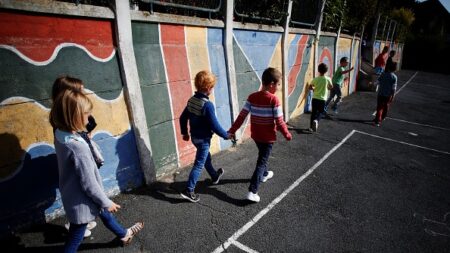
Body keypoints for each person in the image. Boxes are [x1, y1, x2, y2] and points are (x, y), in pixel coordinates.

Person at [50, 89, 143, 253]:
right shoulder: (77, 148)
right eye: (86, 113)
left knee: (104, 214)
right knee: (75, 237)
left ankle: (124, 234)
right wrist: (107, 201)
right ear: (73, 116)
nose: (89, 116)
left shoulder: (60, 132)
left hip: (73, 194)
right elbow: (89, 184)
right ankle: (123, 233)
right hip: (82, 200)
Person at [228, 67, 292, 203]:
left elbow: (242, 116)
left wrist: (232, 130)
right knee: (262, 161)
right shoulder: (274, 100)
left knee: (263, 156)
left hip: (256, 136)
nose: (279, 87)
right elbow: (279, 122)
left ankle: (264, 174)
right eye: (279, 84)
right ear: (272, 84)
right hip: (267, 138)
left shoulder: (252, 97)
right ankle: (252, 191)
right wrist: (287, 134)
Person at [51, 76, 103, 238]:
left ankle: (84, 220)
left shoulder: (65, 119)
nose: (83, 93)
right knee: (86, 187)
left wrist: (88, 132)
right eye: (80, 90)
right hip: (81, 154)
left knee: (86, 188)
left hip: (83, 150)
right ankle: (79, 222)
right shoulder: (68, 130)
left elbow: (91, 124)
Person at [179, 70, 232, 203]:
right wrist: (226, 135)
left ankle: (214, 176)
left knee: (205, 157)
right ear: (208, 88)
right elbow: (214, 125)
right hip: (203, 140)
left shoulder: (191, 100)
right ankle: (189, 190)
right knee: (199, 164)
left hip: (194, 138)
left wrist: (184, 132)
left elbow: (182, 117)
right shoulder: (207, 105)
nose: (212, 89)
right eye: (212, 87)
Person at [309, 63, 333, 132]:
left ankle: (311, 128)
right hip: (323, 99)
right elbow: (331, 87)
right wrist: (327, 88)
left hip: (315, 98)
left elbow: (310, 87)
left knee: (313, 112)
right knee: (321, 112)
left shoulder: (315, 79)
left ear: (318, 70)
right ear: (326, 71)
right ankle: (316, 121)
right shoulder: (328, 79)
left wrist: (314, 89)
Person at [373, 62, 398, 126]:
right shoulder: (394, 77)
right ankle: (382, 117)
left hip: (381, 94)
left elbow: (377, 82)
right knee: (386, 106)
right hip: (388, 95)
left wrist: (372, 84)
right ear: (395, 70)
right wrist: (393, 96)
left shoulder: (383, 74)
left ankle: (377, 121)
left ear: (388, 68)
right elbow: (394, 88)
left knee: (379, 107)